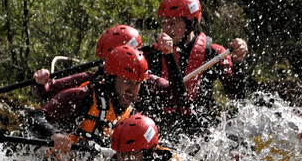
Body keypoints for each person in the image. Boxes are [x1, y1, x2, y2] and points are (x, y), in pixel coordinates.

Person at [144, 0, 249, 137]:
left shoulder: (214, 53)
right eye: (164, 23)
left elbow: (237, 95)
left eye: (173, 23)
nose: (167, 29)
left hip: (199, 128)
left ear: (191, 23)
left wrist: (237, 62)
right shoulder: (152, 54)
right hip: (162, 127)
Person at [30, 24, 186, 118]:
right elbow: (45, 93)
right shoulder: (86, 85)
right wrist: (40, 82)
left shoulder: (146, 81)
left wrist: (169, 55)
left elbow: (179, 95)